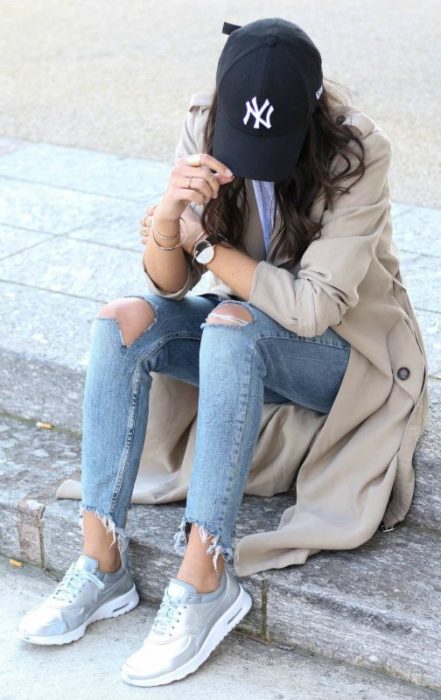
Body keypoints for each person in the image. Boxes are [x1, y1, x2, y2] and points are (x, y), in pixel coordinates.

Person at [17, 16, 428, 688]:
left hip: (348, 361)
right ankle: (101, 563)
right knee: (123, 320)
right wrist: (167, 214)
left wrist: (206, 245)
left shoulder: (357, 151)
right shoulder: (206, 124)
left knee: (233, 322)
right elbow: (168, 284)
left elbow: (312, 308)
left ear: (311, 111)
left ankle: (206, 579)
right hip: (246, 327)